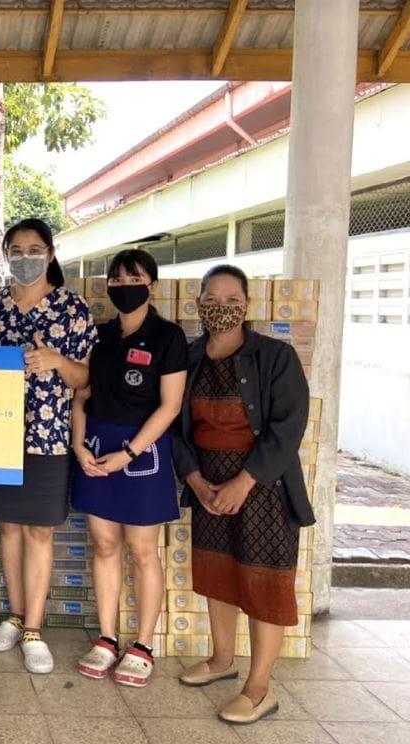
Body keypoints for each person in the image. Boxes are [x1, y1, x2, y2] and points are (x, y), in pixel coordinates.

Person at [173, 265, 313, 724]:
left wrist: (244, 481)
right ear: (199, 304)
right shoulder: (190, 357)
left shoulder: (275, 356)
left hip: (264, 488)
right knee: (218, 574)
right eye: (213, 299)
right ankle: (221, 660)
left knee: (262, 582)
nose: (223, 307)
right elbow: (177, 429)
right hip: (208, 486)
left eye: (233, 300)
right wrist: (195, 480)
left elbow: (288, 427)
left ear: (247, 305)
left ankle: (259, 689)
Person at [0, 218, 96, 674]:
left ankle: (33, 628)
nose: (25, 258)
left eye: (34, 250)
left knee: (40, 532)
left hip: (49, 436)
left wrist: (55, 360)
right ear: (6, 254)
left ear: (50, 254)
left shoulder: (72, 308)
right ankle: (14, 615)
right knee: (9, 528)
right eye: (17, 250)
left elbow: (84, 380)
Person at [71, 249, 188, 688]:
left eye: (134, 279)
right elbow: (82, 395)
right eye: (116, 280)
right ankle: (106, 638)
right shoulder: (99, 335)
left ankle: (142, 646)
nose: (124, 287)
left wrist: (129, 453)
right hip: (97, 446)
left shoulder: (168, 337)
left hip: (142, 451)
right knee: (104, 544)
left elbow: (170, 406)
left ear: (151, 285)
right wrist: (78, 442)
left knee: (141, 550)